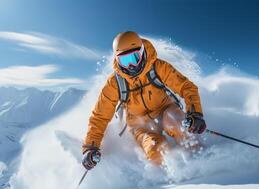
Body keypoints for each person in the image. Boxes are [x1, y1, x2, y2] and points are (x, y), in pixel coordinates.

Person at [82, 31, 206, 170]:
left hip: (165, 111)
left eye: (134, 58)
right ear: (117, 60)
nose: (131, 66)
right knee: (156, 151)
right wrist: (90, 147)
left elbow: (186, 87)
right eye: (124, 60)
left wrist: (195, 114)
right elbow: (100, 116)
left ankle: (201, 158)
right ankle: (176, 175)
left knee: (177, 122)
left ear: (142, 52)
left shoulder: (158, 67)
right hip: (140, 126)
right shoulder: (115, 83)